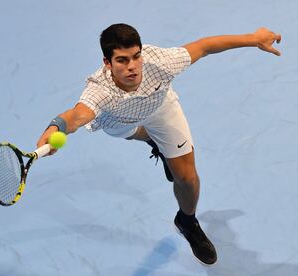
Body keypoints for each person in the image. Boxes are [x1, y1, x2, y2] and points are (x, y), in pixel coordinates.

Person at [37, 23, 281, 265]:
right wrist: (55, 127)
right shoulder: (99, 91)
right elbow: (77, 115)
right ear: (107, 63)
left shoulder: (161, 62)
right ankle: (158, 144)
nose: (132, 66)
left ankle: (186, 222)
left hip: (161, 108)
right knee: (140, 133)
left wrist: (254, 38)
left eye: (136, 56)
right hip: (120, 120)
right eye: (122, 60)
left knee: (187, 178)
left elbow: (205, 46)